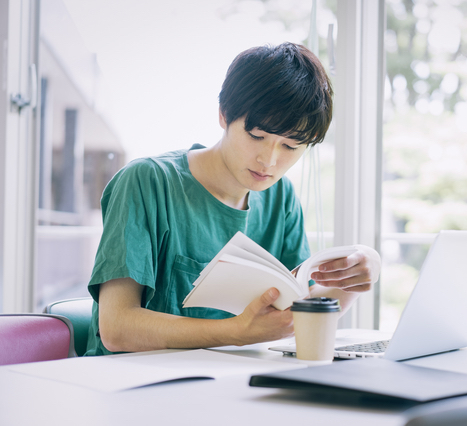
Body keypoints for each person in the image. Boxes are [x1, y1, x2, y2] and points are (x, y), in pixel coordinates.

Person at [84, 42, 381, 356]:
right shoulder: (147, 182)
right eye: (257, 136)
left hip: (232, 382)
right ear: (224, 115)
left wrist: (361, 274)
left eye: (290, 147)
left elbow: (297, 313)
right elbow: (116, 329)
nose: (269, 160)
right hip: (134, 383)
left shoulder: (281, 197)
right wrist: (237, 332)